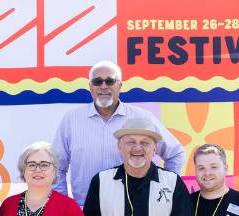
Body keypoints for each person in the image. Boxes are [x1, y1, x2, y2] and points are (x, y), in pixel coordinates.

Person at [53, 60, 186, 207]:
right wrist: (64, 205)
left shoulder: (142, 117)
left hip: (133, 210)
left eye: (110, 81)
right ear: (90, 86)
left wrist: (164, 192)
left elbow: (175, 154)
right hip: (85, 210)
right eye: (97, 81)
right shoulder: (71, 119)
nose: (104, 86)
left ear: (120, 86)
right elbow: (56, 167)